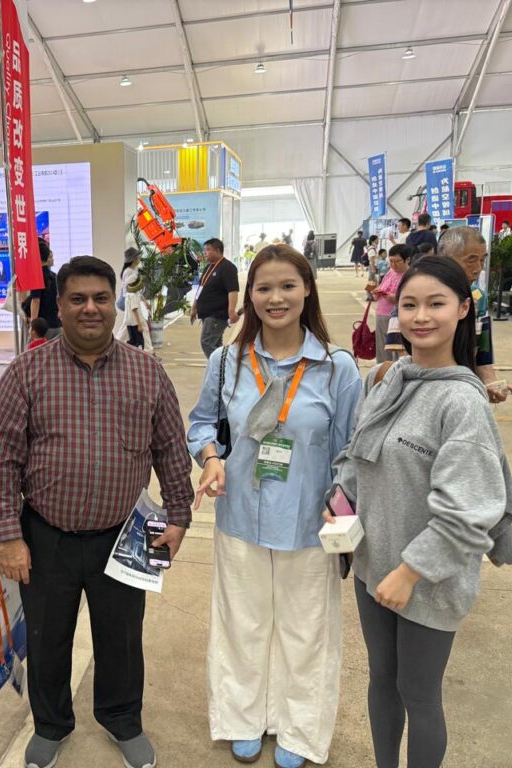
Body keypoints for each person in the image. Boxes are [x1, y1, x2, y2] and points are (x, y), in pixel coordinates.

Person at [0, 256, 194, 768]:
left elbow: (170, 447)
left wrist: (178, 516)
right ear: (59, 306)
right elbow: (3, 458)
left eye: (100, 298)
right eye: (77, 299)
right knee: (48, 637)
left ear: (114, 303)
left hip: (126, 533)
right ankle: (51, 724)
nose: (90, 308)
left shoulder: (147, 372)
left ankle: (122, 719)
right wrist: (9, 536)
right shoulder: (26, 372)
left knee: (122, 638)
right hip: (45, 534)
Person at [331, 255, 512, 768]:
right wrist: (339, 501)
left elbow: (469, 511)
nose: (420, 317)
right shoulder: (389, 379)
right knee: (382, 681)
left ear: (463, 309)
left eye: (435, 304)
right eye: (409, 304)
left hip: (427, 579)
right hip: (374, 566)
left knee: (419, 694)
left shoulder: (461, 403)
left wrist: (411, 572)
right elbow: (356, 453)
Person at [188, 244, 362, 768]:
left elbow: (351, 449)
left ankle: (299, 731)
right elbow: (202, 423)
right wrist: (211, 457)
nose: (276, 298)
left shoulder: (336, 368)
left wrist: (343, 505)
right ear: (250, 297)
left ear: (307, 289)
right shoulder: (226, 362)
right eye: (264, 288)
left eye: (288, 286)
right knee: (241, 625)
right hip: (239, 516)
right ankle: (242, 720)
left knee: (305, 632)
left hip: (308, 524)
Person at [437, 227, 508, 403]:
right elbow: (403, 352)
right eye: (471, 260)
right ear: (445, 258)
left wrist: (491, 383)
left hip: (464, 390)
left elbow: (482, 349)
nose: (478, 268)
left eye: (482, 260)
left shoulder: (478, 297)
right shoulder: (420, 293)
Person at [191, 237, 240, 359]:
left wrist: (231, 310)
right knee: (216, 345)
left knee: (206, 342)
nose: (205, 253)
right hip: (206, 313)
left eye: (208, 250)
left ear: (217, 251)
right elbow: (200, 289)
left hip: (217, 314)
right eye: (204, 250)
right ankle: (223, 366)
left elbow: (233, 290)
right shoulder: (208, 267)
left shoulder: (228, 267)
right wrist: (194, 307)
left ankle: (221, 365)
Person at [371, 245, 410, 362]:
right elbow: (382, 286)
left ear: (407, 260)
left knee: (396, 350)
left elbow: (411, 297)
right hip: (381, 313)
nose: (393, 265)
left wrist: (395, 298)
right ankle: (382, 369)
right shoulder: (390, 272)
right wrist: (377, 292)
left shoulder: (410, 275)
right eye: (391, 261)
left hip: (397, 317)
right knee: (382, 348)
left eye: (397, 261)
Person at [26, 237, 62, 339]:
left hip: (42, 328)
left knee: (36, 349)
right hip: (57, 324)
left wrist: (33, 325)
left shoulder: (37, 277)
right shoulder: (55, 276)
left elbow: (36, 301)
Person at [121, 247, 147, 349]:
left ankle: (149, 349)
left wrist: (145, 302)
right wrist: (139, 323)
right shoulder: (128, 272)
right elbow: (127, 287)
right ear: (133, 259)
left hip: (132, 304)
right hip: (131, 304)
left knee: (128, 329)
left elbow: (137, 290)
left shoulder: (134, 270)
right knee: (131, 331)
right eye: (137, 257)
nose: (139, 259)